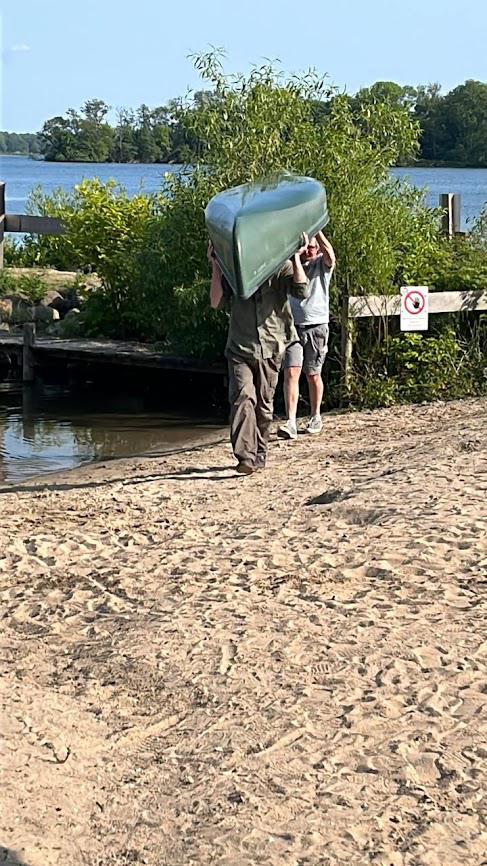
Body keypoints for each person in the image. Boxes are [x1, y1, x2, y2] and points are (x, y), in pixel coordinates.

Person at [209, 238, 310, 475]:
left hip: (271, 347)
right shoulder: (233, 272)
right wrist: (215, 264)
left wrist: (295, 256)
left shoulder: (281, 267)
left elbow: (302, 291)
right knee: (243, 398)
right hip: (240, 348)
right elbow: (215, 302)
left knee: (264, 406)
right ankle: (245, 456)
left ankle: (259, 453)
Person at [278, 231, 336, 439]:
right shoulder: (292, 264)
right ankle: (291, 421)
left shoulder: (322, 264)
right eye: (306, 247)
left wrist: (317, 229)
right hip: (293, 326)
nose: (309, 250)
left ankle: (315, 415)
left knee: (312, 374)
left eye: (312, 247)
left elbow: (330, 254)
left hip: (316, 326)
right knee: (291, 373)